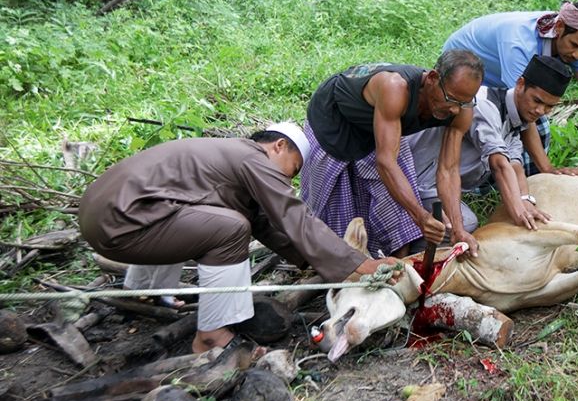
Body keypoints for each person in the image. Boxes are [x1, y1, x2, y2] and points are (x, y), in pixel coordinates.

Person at [78, 122, 401, 353]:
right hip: (120, 220)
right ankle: (212, 335)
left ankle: (144, 290)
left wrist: (314, 262)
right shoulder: (252, 158)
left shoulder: (230, 159)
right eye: (293, 168)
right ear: (278, 146)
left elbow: (268, 224)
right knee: (231, 228)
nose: (288, 178)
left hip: (108, 214)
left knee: (202, 215)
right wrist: (360, 263)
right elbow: (293, 215)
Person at [300, 51, 484, 258]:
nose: (455, 110)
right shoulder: (395, 87)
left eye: (464, 103)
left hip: (383, 125)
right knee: (335, 225)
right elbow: (386, 162)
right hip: (335, 120)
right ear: (432, 79)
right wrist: (421, 216)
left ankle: (396, 265)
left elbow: (449, 170)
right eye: (451, 99)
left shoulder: (462, 109)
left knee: (398, 210)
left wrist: (458, 229)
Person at [442, 1, 578, 176]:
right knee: (502, 124)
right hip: (462, 74)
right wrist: (548, 168)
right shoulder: (520, 43)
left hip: (498, 76)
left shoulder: (570, 42)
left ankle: (524, 177)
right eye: (575, 46)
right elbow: (521, 103)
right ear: (559, 28)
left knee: (537, 125)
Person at [408, 54, 574, 233]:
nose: (541, 111)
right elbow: (499, 164)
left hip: (437, 187)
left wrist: (525, 199)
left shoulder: (516, 120)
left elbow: (515, 166)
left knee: (465, 223)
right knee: (458, 226)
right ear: (520, 84)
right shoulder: (485, 104)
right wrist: (519, 214)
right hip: (418, 179)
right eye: (537, 101)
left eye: (549, 107)